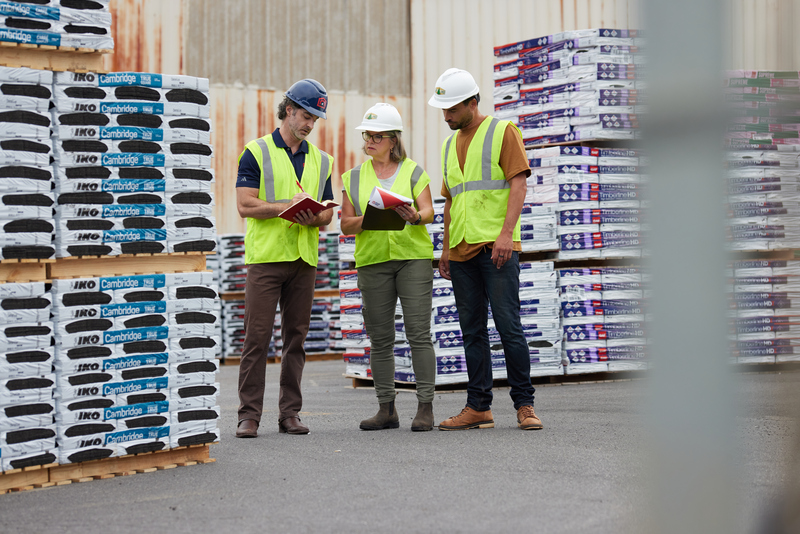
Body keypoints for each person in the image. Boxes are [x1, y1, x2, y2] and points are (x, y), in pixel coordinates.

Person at [427, 68, 543, 431]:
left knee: (509, 326)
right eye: (442, 109)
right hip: (461, 249)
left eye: (451, 108)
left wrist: (507, 234)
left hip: (496, 247)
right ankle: (478, 406)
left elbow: (518, 184)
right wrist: (445, 248)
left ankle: (525, 405)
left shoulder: (502, 132)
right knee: (471, 330)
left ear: (472, 103)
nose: (445, 115)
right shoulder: (449, 144)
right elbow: (450, 200)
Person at [235, 79, 334, 438]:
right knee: (257, 338)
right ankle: (248, 415)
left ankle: (289, 413)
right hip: (266, 259)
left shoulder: (322, 161)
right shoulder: (256, 152)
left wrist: (316, 215)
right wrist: (284, 208)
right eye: (306, 116)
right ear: (288, 109)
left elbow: (327, 214)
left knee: (296, 337)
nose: (310, 124)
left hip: (303, 259)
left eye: (315, 119)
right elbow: (245, 205)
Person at [340, 103, 437, 431]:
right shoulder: (353, 177)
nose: (369, 140)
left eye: (376, 136)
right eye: (367, 135)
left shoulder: (413, 172)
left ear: (393, 140)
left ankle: (425, 408)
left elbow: (429, 212)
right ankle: (387, 409)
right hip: (373, 262)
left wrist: (414, 217)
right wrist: (368, 219)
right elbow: (345, 224)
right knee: (380, 338)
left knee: (418, 334)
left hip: (412, 259)